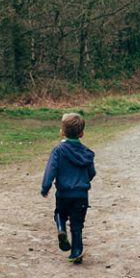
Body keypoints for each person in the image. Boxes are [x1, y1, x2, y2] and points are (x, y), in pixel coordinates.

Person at [40, 112, 96, 265]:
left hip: (63, 193)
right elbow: (92, 172)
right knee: (77, 225)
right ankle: (76, 252)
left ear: (62, 132)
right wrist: (84, 180)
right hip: (81, 195)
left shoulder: (58, 150)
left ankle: (61, 228)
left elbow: (50, 170)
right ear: (82, 133)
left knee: (60, 213)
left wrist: (45, 187)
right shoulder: (86, 153)